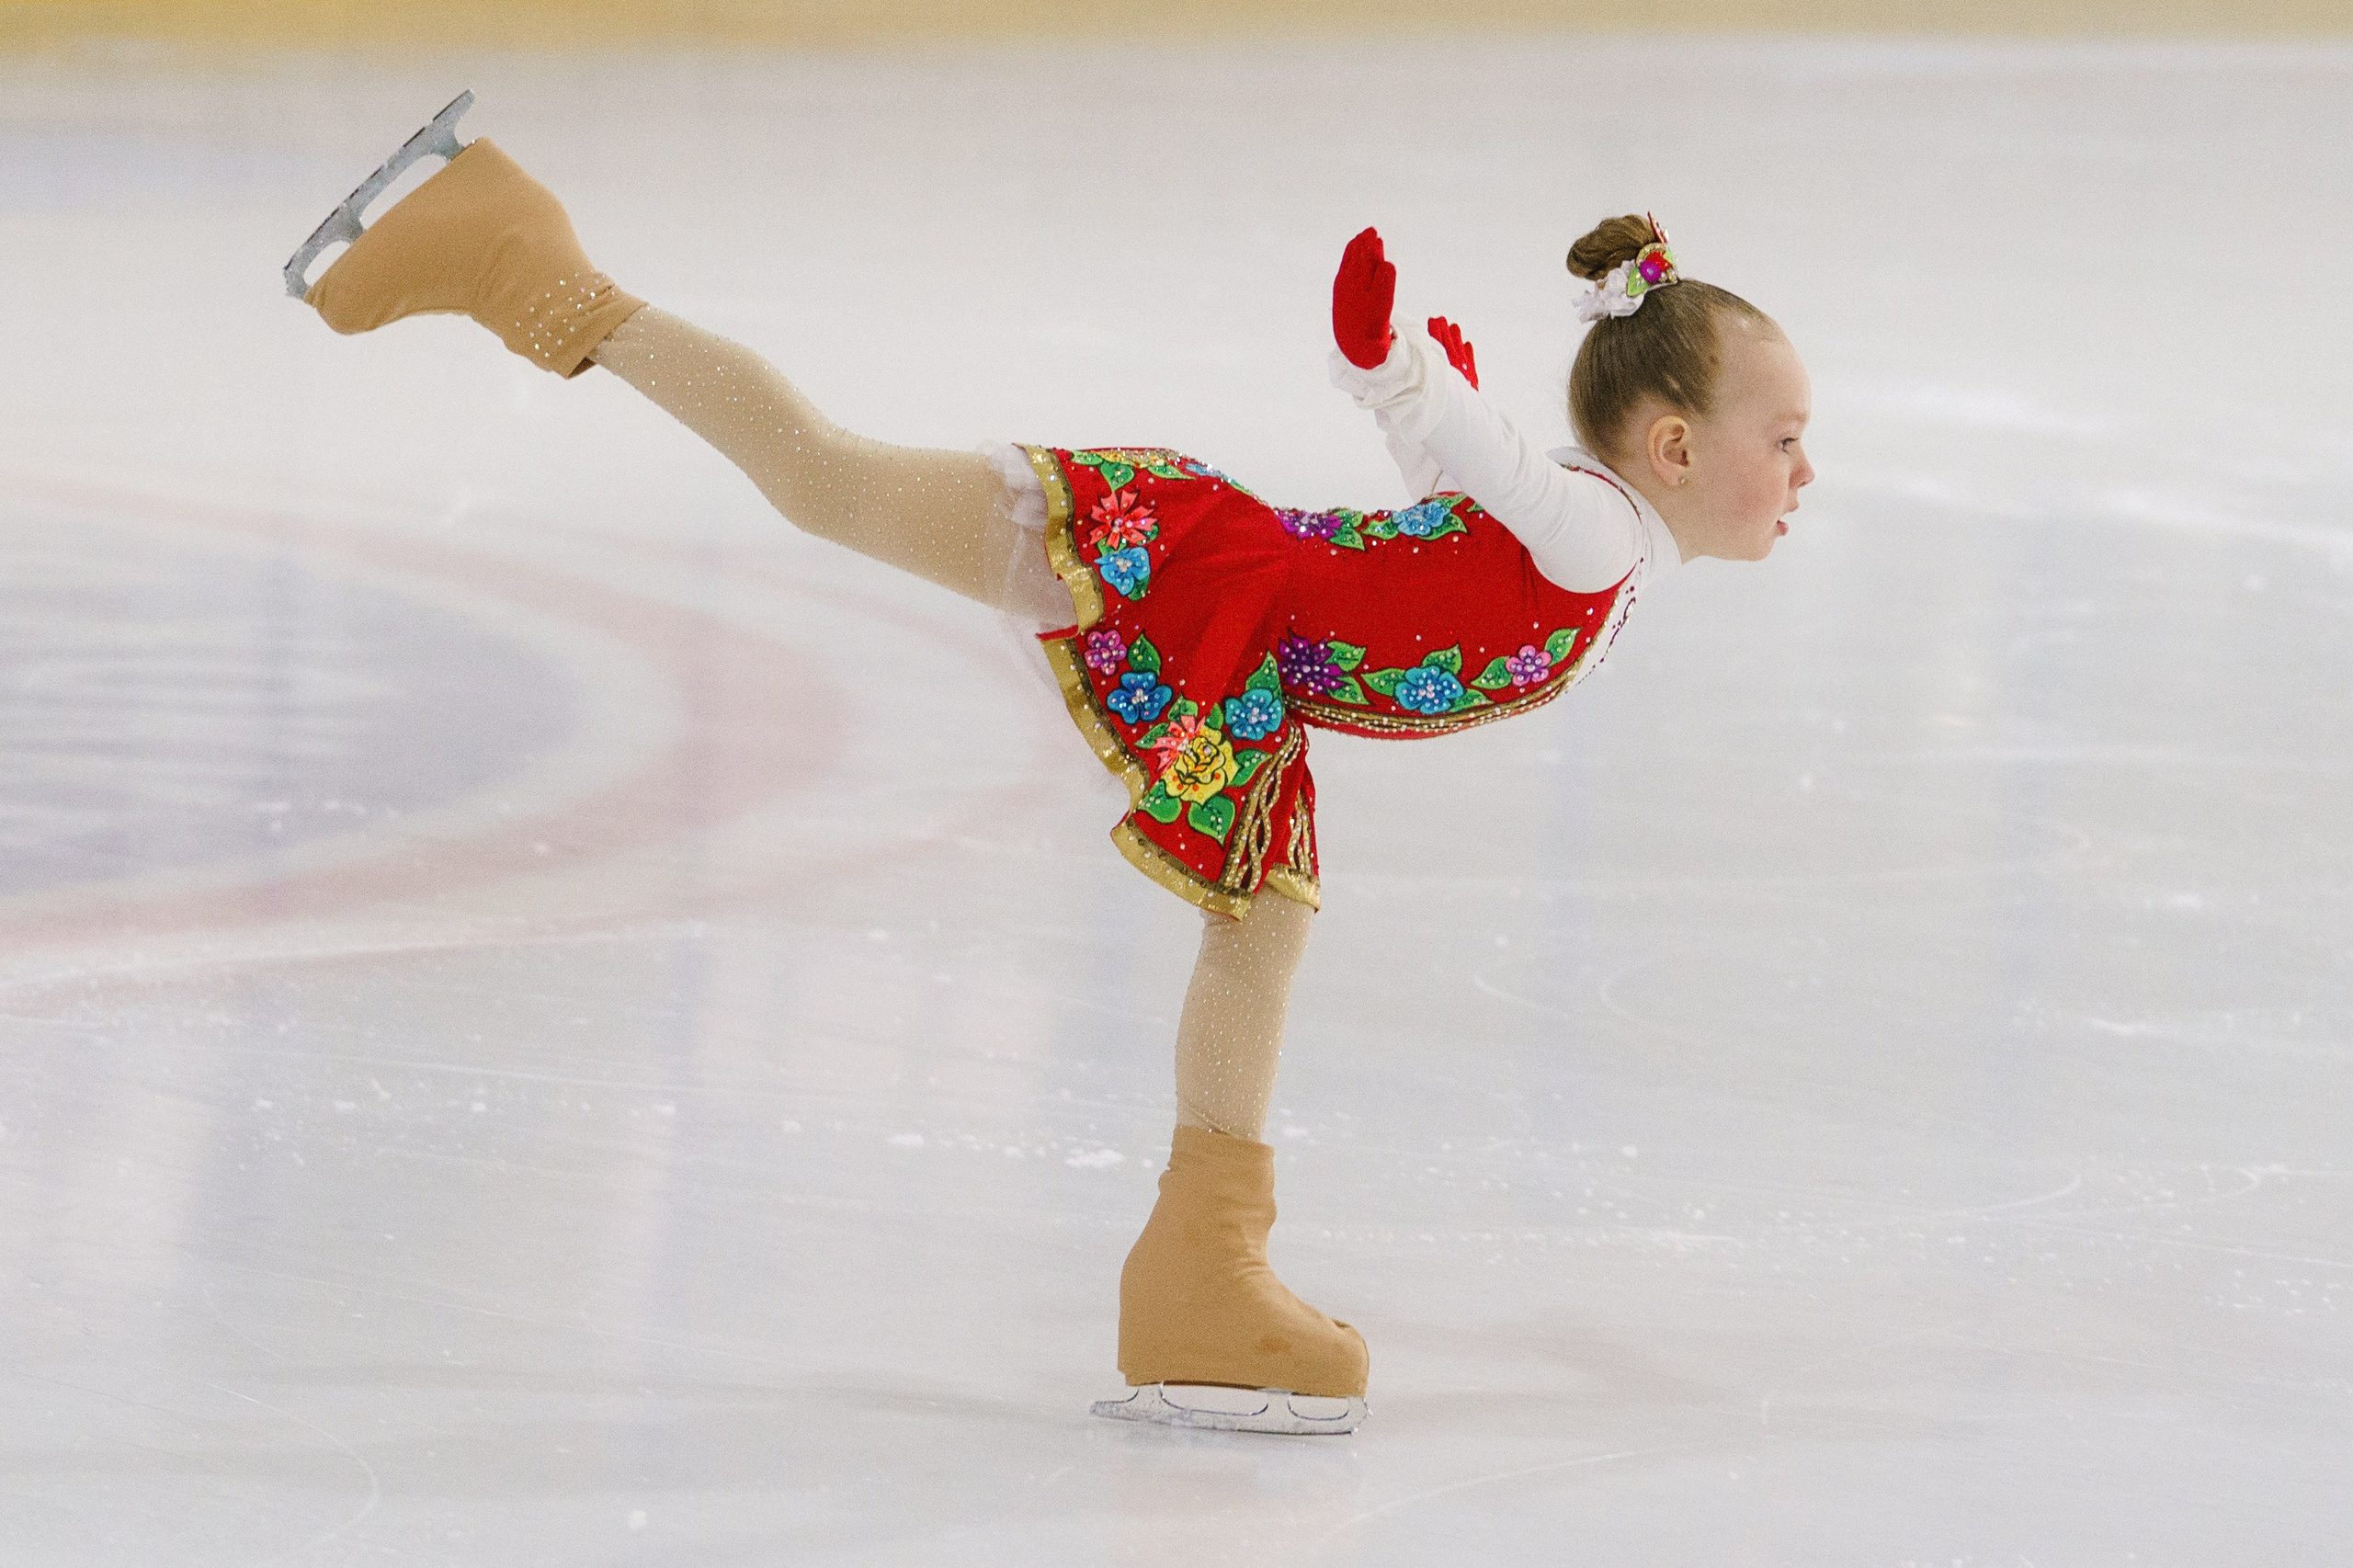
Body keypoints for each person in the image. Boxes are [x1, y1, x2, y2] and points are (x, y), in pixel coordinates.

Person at [290, 101, 1812, 1436]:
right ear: (1673, 448)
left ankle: (1203, 1271)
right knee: (831, 477)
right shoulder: (1602, 534)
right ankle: (527, 264)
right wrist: (1402, 364)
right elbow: (1493, 467)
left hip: (1248, 666)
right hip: (1198, 588)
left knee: (1264, 911)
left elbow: (1461, 490)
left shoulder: (1597, 548)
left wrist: (1407, 387)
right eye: (1786, 436)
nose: (1806, 469)